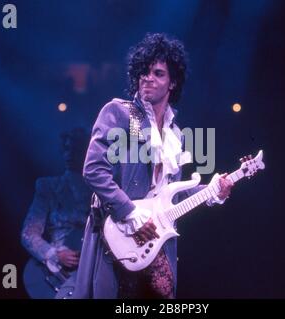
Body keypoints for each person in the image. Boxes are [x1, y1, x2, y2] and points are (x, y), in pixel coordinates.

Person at [71, 33, 233, 299]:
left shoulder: (175, 135)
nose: (148, 78)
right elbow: (94, 170)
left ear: (173, 83)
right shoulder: (120, 113)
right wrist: (130, 212)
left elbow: (170, 195)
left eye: (158, 73)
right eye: (144, 72)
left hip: (155, 242)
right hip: (118, 234)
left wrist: (212, 190)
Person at [21, 127, 91, 297]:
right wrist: (55, 255)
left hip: (92, 265)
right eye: (66, 148)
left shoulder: (101, 188)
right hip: (59, 273)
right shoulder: (48, 186)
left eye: (75, 148)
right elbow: (29, 234)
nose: (69, 154)